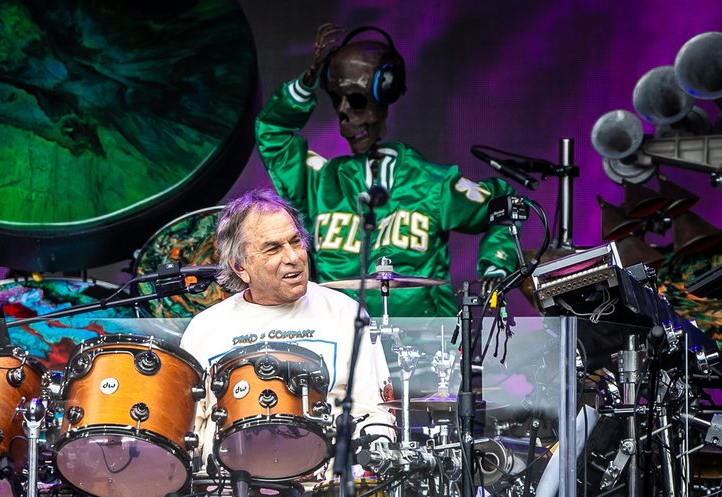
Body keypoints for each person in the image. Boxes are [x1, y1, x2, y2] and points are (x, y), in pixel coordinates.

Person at [255, 23, 517, 318]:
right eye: (337, 101)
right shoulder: (321, 181)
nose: (344, 115)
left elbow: (505, 206)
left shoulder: (433, 184)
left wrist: (496, 264)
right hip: (339, 346)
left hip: (425, 349)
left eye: (355, 100)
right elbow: (272, 133)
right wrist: (308, 80)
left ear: (386, 88)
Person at [180, 188, 395, 468]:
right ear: (240, 266)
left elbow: (376, 415)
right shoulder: (204, 329)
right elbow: (187, 433)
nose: (293, 257)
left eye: (296, 242)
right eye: (273, 248)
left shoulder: (345, 313)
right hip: (230, 496)